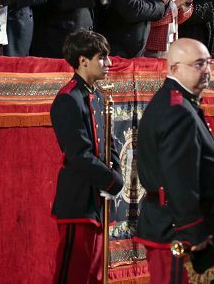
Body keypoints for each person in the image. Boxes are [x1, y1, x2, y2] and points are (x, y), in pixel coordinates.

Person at [135, 38, 214, 282]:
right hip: (177, 231)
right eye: (198, 64)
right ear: (174, 68)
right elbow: (178, 179)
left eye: (209, 63)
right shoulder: (177, 110)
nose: (207, 70)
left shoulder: (179, 101)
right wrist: (193, 230)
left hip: (174, 225)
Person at [49, 29, 123, 284]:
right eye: (101, 58)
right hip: (79, 199)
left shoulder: (98, 95)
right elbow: (79, 154)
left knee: (94, 274)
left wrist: (117, 175)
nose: (109, 63)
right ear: (83, 61)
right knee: (73, 273)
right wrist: (112, 181)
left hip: (98, 200)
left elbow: (109, 143)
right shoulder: (68, 99)